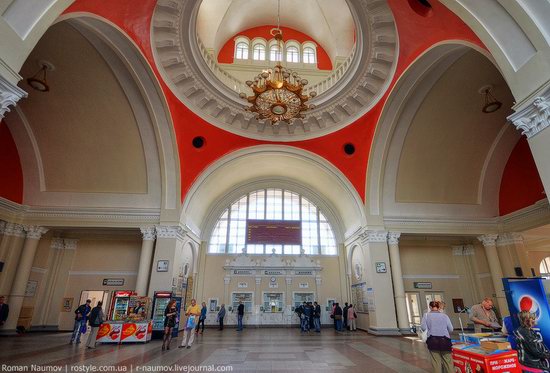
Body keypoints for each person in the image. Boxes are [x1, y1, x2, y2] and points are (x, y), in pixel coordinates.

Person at [421, 301, 453, 373]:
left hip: (433, 340)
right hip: (445, 340)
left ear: (430, 307)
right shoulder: (445, 316)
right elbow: (451, 329)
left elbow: (423, 327)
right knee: (449, 362)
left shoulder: (426, 315)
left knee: (436, 362)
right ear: (438, 307)